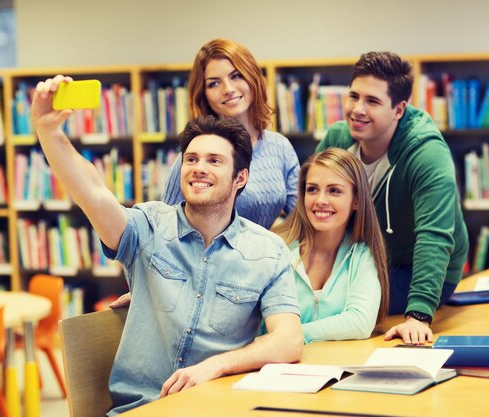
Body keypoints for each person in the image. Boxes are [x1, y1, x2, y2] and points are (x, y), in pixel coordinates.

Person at [31, 78, 303, 415]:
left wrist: (215, 366)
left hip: (217, 408)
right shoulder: (148, 227)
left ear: (240, 178)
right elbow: (94, 193)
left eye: (214, 161)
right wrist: (49, 133)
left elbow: (289, 340)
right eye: (191, 159)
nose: (199, 168)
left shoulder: (268, 251)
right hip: (142, 408)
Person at [315, 51, 469, 345]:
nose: (357, 109)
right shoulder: (337, 140)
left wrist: (419, 315)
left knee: (334, 301)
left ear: (399, 109)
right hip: (362, 260)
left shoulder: (427, 154)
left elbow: (434, 236)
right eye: (354, 96)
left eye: (372, 101)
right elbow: (309, 208)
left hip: (412, 268)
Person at [162, 38, 300, 229]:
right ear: (204, 95)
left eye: (236, 76)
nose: (228, 89)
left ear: (252, 77)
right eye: (214, 84)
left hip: (264, 257)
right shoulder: (194, 159)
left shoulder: (280, 147)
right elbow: (166, 230)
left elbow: (302, 222)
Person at [271, 148, 389, 343]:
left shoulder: (361, 255)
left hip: (334, 367)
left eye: (334, 191)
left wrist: (290, 336)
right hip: (272, 367)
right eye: (312, 189)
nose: (321, 201)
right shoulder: (276, 249)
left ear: (356, 201)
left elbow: (360, 322)